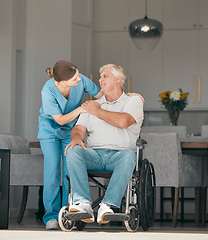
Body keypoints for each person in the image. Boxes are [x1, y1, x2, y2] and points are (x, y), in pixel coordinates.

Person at [64, 63, 144, 224]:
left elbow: (123, 121)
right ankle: (83, 204)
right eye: (100, 77)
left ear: (118, 79)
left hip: (120, 156)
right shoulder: (92, 104)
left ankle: (107, 206)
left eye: (104, 76)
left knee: (129, 155)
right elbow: (79, 128)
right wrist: (77, 138)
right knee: (73, 149)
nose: (100, 80)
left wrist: (97, 111)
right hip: (94, 155)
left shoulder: (133, 100)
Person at [38, 60, 102, 230]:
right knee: (52, 171)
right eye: (74, 79)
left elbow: (101, 94)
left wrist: (127, 96)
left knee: (70, 170)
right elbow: (59, 119)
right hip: (49, 132)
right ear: (61, 82)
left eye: (78, 75)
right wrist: (80, 109)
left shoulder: (79, 79)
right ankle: (51, 216)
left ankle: (70, 212)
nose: (78, 80)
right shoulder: (48, 90)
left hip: (70, 132)